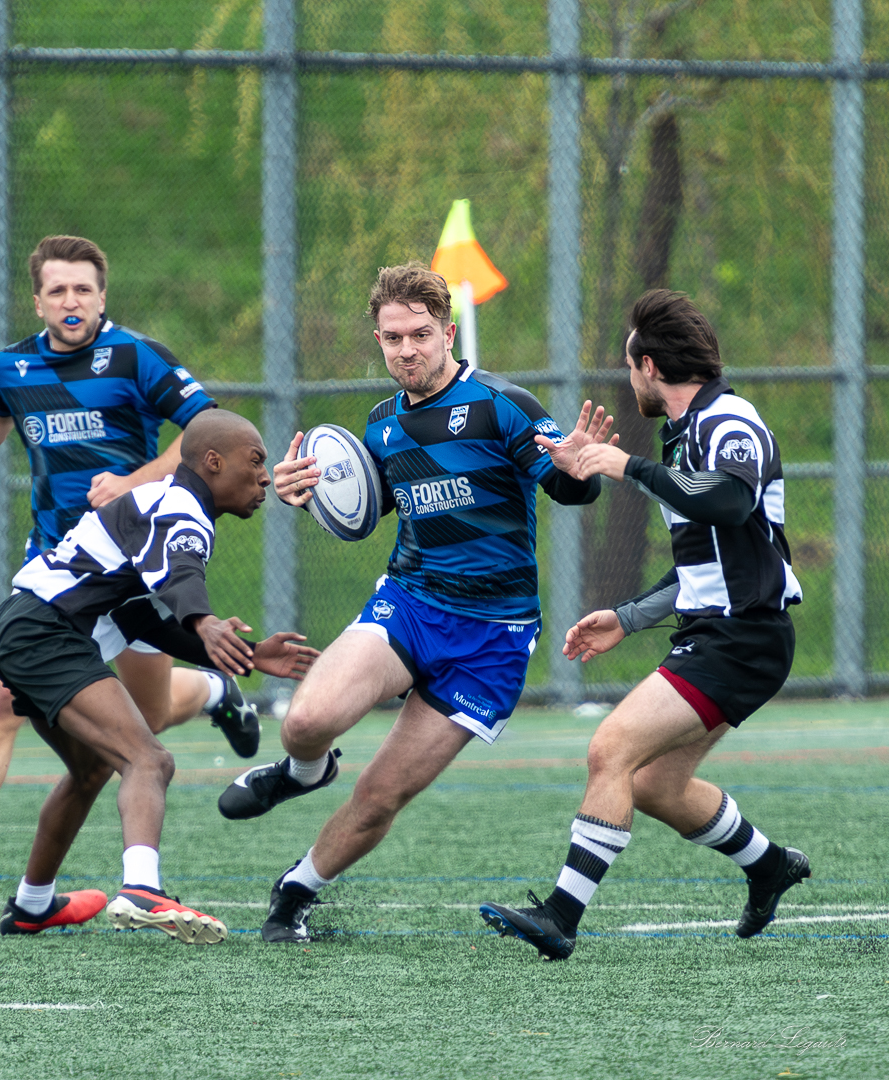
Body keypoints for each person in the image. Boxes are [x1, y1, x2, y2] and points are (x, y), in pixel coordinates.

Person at [217, 262, 614, 943]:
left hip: (491, 638)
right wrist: (298, 489)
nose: (406, 350)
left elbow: (567, 485)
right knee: (306, 719)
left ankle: (295, 891)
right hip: (412, 603)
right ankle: (304, 773)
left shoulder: (500, 405)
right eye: (392, 337)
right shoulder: (379, 426)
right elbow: (369, 509)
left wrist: (581, 471)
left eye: (420, 335)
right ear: (378, 338)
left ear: (448, 332)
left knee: (380, 797)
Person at [0, 235, 258, 903]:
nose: (71, 301)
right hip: (57, 566)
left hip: (127, 568)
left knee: (145, 716)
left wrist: (133, 482)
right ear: (37, 300)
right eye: (58, 290)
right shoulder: (16, 367)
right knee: (5, 698)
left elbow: (205, 427)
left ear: (103, 297)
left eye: (84, 290)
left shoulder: (135, 356)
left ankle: (213, 694)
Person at [480, 289, 808, 959]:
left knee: (611, 749)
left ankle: (561, 918)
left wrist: (628, 467)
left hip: (743, 636)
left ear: (650, 365)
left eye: (629, 365)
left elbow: (729, 499)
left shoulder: (728, 420)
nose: (629, 379)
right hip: (723, 632)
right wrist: (627, 619)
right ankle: (769, 865)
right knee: (656, 784)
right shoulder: (685, 434)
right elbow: (703, 562)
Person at [0, 409, 319, 937]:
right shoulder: (181, 506)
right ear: (213, 462)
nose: (264, 476)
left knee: (93, 769)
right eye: (255, 462)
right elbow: (182, 575)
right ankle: (141, 887)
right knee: (150, 759)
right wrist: (205, 620)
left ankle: (32, 904)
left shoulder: (164, 503)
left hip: (29, 626)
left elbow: (140, 615)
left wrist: (249, 655)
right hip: (43, 632)